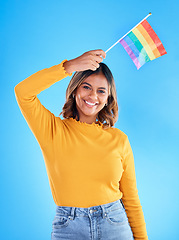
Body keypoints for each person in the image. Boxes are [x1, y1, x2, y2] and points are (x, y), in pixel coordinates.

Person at [14, 49, 148, 240]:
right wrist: (69, 66)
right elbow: (23, 92)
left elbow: (132, 200)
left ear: (108, 98)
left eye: (101, 91)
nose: (93, 96)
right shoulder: (52, 130)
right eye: (86, 87)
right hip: (68, 227)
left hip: (115, 224)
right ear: (75, 89)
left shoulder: (119, 139)